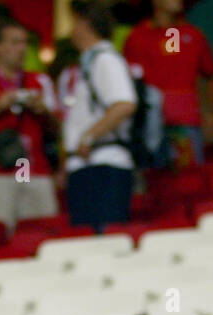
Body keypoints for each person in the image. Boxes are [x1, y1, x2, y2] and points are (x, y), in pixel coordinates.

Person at [0, 17, 60, 230]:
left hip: (33, 170)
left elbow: (58, 129)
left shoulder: (40, 81)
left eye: (25, 43)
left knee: (41, 235)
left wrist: (43, 110)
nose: (22, 49)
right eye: (15, 42)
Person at [58, 1, 137, 231]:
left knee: (103, 245)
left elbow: (124, 104)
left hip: (104, 165)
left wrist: (88, 137)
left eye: (74, 22)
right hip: (86, 166)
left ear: (85, 23)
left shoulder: (105, 59)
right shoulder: (87, 63)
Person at [123, 0, 213, 167]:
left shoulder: (191, 34)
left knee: (189, 182)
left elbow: (211, 75)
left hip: (186, 123)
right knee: (155, 182)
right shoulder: (137, 37)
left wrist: (211, 113)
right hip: (149, 126)